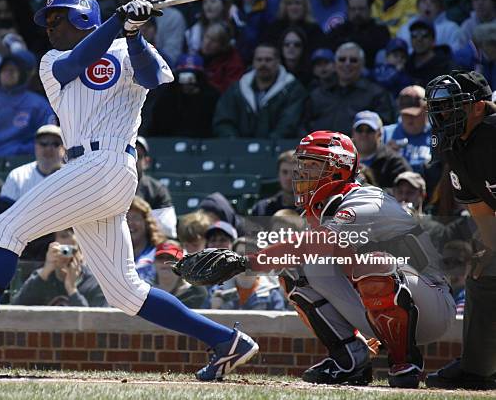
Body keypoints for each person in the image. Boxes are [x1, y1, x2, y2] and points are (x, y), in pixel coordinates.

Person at [0, 0, 258, 379]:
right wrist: (119, 20)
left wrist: (134, 32)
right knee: (124, 291)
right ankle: (225, 341)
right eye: (48, 20)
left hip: (109, 162)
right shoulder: (52, 61)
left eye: (56, 18)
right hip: (86, 169)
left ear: (81, 17)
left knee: (8, 228)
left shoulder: (129, 51)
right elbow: (78, 62)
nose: (49, 26)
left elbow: (151, 78)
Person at [192, 130, 456, 388]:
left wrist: (243, 262)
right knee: (294, 270)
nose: (302, 174)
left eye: (312, 166)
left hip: (431, 303)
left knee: (372, 263)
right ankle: (350, 358)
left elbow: (313, 244)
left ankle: (404, 361)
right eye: (301, 166)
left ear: (338, 169)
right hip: (387, 303)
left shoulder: (365, 200)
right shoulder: (323, 209)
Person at [424, 70, 496, 390]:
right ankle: (478, 370)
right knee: (483, 269)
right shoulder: (453, 146)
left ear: (479, 107)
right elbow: (482, 213)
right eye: (438, 108)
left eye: (451, 107)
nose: (442, 115)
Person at [212, 43, 308, 138]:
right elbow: (223, 120)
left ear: (278, 62)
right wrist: (234, 142)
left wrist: (267, 147)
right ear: (253, 62)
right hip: (238, 149)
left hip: (277, 149)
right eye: (259, 60)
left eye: (268, 60)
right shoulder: (237, 89)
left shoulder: (293, 89)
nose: (263, 64)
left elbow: (289, 124)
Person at [0, 53, 55, 157]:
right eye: (4, 70)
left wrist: (23, 150)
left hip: (28, 159)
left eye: (12, 70)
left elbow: (49, 136)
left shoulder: (38, 104)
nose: (7, 74)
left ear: (21, 74)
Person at [303, 43, 395, 135]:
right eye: (342, 60)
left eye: (353, 60)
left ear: (362, 65)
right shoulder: (318, 94)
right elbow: (303, 126)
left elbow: (383, 130)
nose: (347, 64)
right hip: (318, 147)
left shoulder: (376, 94)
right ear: (335, 64)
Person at [10, 234, 107, 307]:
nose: (65, 257)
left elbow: (93, 325)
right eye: (62, 250)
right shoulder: (42, 277)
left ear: (82, 254)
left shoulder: (95, 284)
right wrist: (45, 272)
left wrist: (72, 289)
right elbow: (15, 310)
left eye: (71, 250)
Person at [0, 124, 65, 213]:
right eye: (43, 143)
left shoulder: (72, 176)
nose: (48, 148)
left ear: (64, 148)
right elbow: (4, 214)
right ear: (35, 146)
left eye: (55, 144)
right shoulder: (17, 176)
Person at [326, 0, 391, 69]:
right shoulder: (337, 32)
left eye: (361, 9)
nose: (357, 13)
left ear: (370, 9)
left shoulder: (380, 31)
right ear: (347, 9)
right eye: (353, 9)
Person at [352, 110, 412, 188]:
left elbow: (404, 192)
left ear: (379, 133)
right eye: (360, 130)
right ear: (353, 132)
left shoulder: (395, 163)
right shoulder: (344, 158)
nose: (364, 134)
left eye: (370, 130)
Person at [382, 86, 432, 174]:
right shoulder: (385, 134)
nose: (409, 119)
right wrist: (386, 154)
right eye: (405, 114)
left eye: (414, 114)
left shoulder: (436, 135)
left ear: (426, 109)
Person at [153, 241, 206, 309]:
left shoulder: (197, 292)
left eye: (171, 258)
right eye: (160, 258)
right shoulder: (146, 291)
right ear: (154, 262)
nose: (165, 262)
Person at [128, 196, 167, 285]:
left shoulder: (162, 253)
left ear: (147, 222)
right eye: (125, 218)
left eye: (135, 218)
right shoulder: (113, 255)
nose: (130, 223)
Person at [251, 150, 300, 216]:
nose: (289, 177)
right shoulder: (262, 209)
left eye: (295, 173)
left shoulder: (316, 209)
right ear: (278, 174)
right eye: (284, 172)